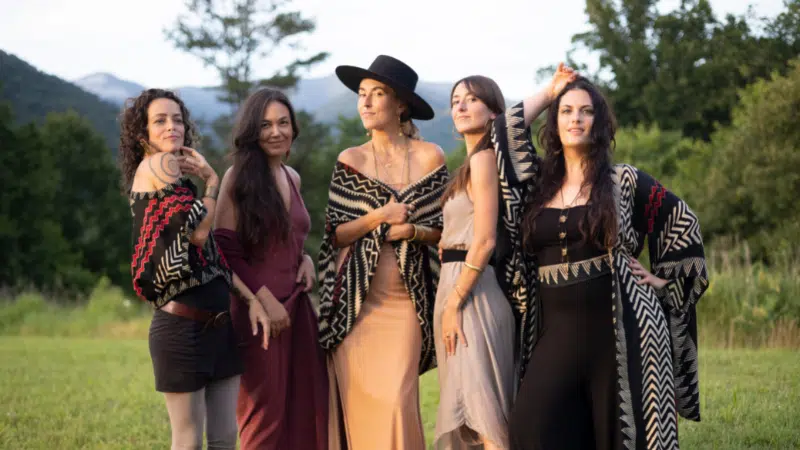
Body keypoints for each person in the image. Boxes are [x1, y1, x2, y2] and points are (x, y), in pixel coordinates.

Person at [489, 66, 709, 449]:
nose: (576, 118)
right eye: (566, 110)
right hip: (555, 332)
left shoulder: (624, 181)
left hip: (624, 330)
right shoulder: (538, 185)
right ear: (554, 121)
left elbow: (681, 220)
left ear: (599, 122)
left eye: (586, 111)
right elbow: (502, 132)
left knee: (620, 437)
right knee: (532, 428)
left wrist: (662, 282)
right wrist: (550, 91)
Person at [120, 88, 270, 450]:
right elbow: (201, 232)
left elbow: (213, 260)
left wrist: (251, 300)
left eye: (177, 119)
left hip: (217, 327)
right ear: (143, 136)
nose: (172, 126)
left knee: (223, 439)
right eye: (160, 120)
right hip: (182, 328)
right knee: (190, 441)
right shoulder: (158, 165)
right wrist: (213, 181)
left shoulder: (180, 185)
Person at [317, 55, 448, 449]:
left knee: (395, 403)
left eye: (378, 94)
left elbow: (445, 230)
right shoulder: (349, 159)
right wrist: (380, 216)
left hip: (405, 302)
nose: (366, 103)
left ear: (401, 105)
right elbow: (336, 235)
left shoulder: (430, 157)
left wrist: (413, 230)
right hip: (355, 307)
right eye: (362, 94)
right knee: (359, 408)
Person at [213, 87, 328, 450]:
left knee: (305, 409)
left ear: (294, 127)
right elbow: (224, 249)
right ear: (252, 130)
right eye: (265, 125)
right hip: (256, 311)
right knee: (264, 417)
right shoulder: (238, 177)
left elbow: (290, 236)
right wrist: (261, 300)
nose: (276, 132)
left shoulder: (293, 177)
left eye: (283, 123)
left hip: (297, 308)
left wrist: (306, 259)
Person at [432, 75, 515, 450]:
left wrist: (454, 302)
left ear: (494, 111)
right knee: (469, 417)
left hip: (472, 295)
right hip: (455, 286)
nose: (461, 106)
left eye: (471, 99)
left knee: (484, 416)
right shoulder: (466, 166)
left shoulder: (483, 159)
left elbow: (484, 240)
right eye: (455, 101)